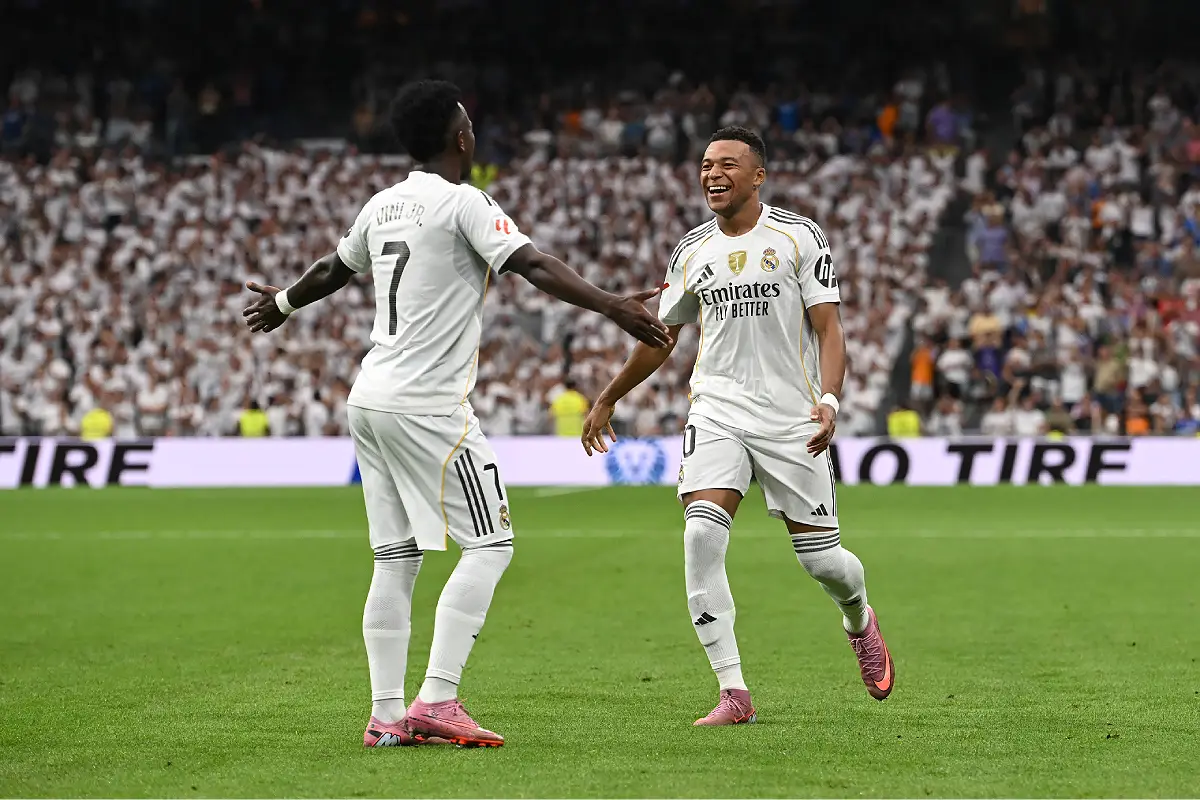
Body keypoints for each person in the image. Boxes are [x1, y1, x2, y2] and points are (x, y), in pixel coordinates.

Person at [242, 80, 670, 748]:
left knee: (395, 557)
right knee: (491, 544)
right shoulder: (463, 202)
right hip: (426, 405)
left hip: (370, 398)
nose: (474, 130)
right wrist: (613, 305)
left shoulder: (382, 204)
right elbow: (532, 264)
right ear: (459, 137)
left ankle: (386, 717)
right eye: (468, 121)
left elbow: (333, 268)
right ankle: (437, 699)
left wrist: (283, 303)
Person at [580, 126, 894, 727]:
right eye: (705, 165)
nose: (713, 174)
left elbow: (829, 328)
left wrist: (830, 400)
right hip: (717, 409)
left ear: (758, 176)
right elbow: (662, 337)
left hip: (791, 417)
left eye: (727, 164)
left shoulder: (799, 237)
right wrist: (608, 397)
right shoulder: (691, 250)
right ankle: (733, 691)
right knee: (701, 533)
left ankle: (859, 619)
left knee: (823, 563)